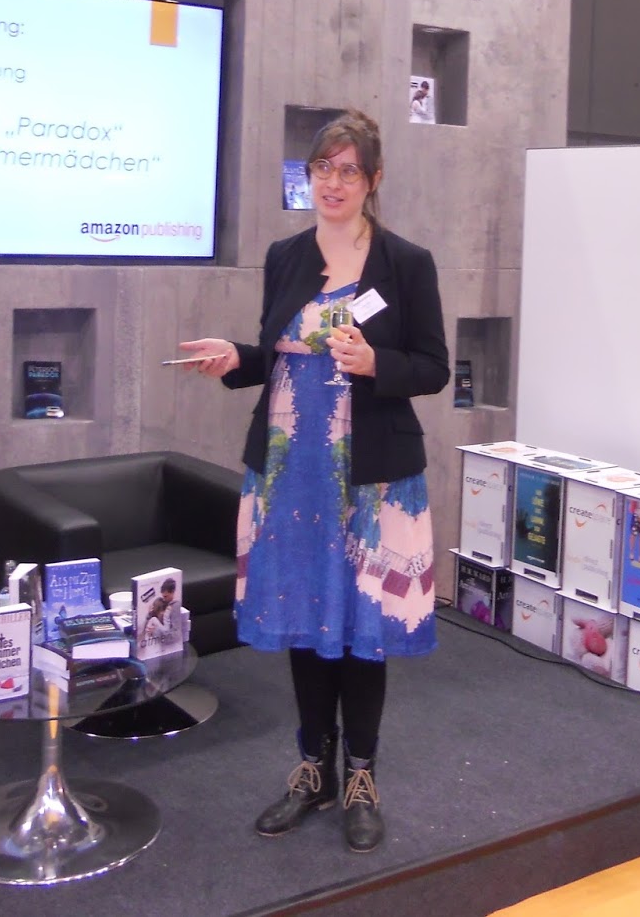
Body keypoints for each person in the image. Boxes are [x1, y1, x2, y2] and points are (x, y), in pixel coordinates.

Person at [178, 109, 449, 853]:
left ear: (373, 180)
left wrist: (377, 363)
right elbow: (277, 354)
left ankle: (361, 775)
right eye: (322, 168)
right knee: (306, 618)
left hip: (370, 476)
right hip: (291, 468)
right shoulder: (285, 255)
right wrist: (236, 357)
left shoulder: (406, 262)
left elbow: (433, 366)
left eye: (348, 170)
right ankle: (312, 769)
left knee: (362, 628)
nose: (333, 183)